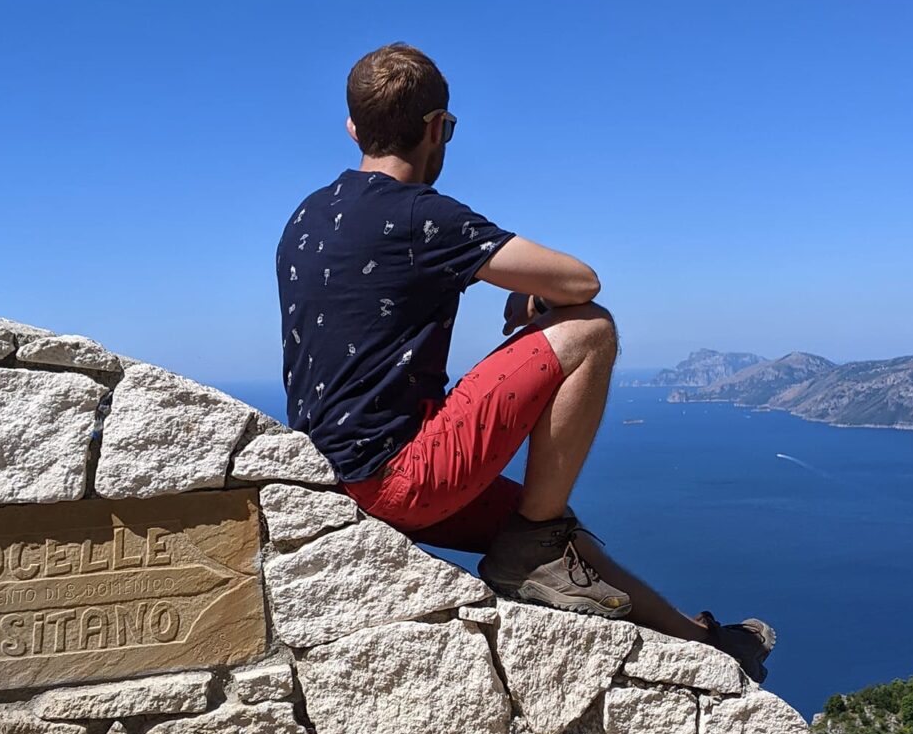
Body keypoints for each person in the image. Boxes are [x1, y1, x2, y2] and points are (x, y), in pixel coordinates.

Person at [276, 42, 775, 682]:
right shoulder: (419, 215)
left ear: (353, 128)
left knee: (562, 542)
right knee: (591, 332)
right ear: (437, 128)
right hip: (403, 478)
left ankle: (702, 643)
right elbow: (581, 282)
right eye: (446, 129)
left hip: (333, 477)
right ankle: (537, 544)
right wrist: (530, 297)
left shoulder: (304, 217)